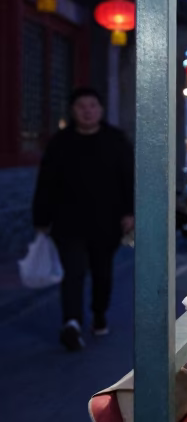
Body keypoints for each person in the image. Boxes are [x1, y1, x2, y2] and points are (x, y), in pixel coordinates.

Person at [32, 87, 135, 351]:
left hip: (107, 222)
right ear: (72, 111)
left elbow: (128, 179)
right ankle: (72, 323)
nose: (87, 111)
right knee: (73, 272)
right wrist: (41, 219)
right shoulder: (60, 142)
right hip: (68, 222)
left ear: (100, 110)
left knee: (102, 272)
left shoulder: (115, 140)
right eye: (81, 106)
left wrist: (130, 212)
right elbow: (46, 183)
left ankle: (99, 313)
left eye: (92, 106)